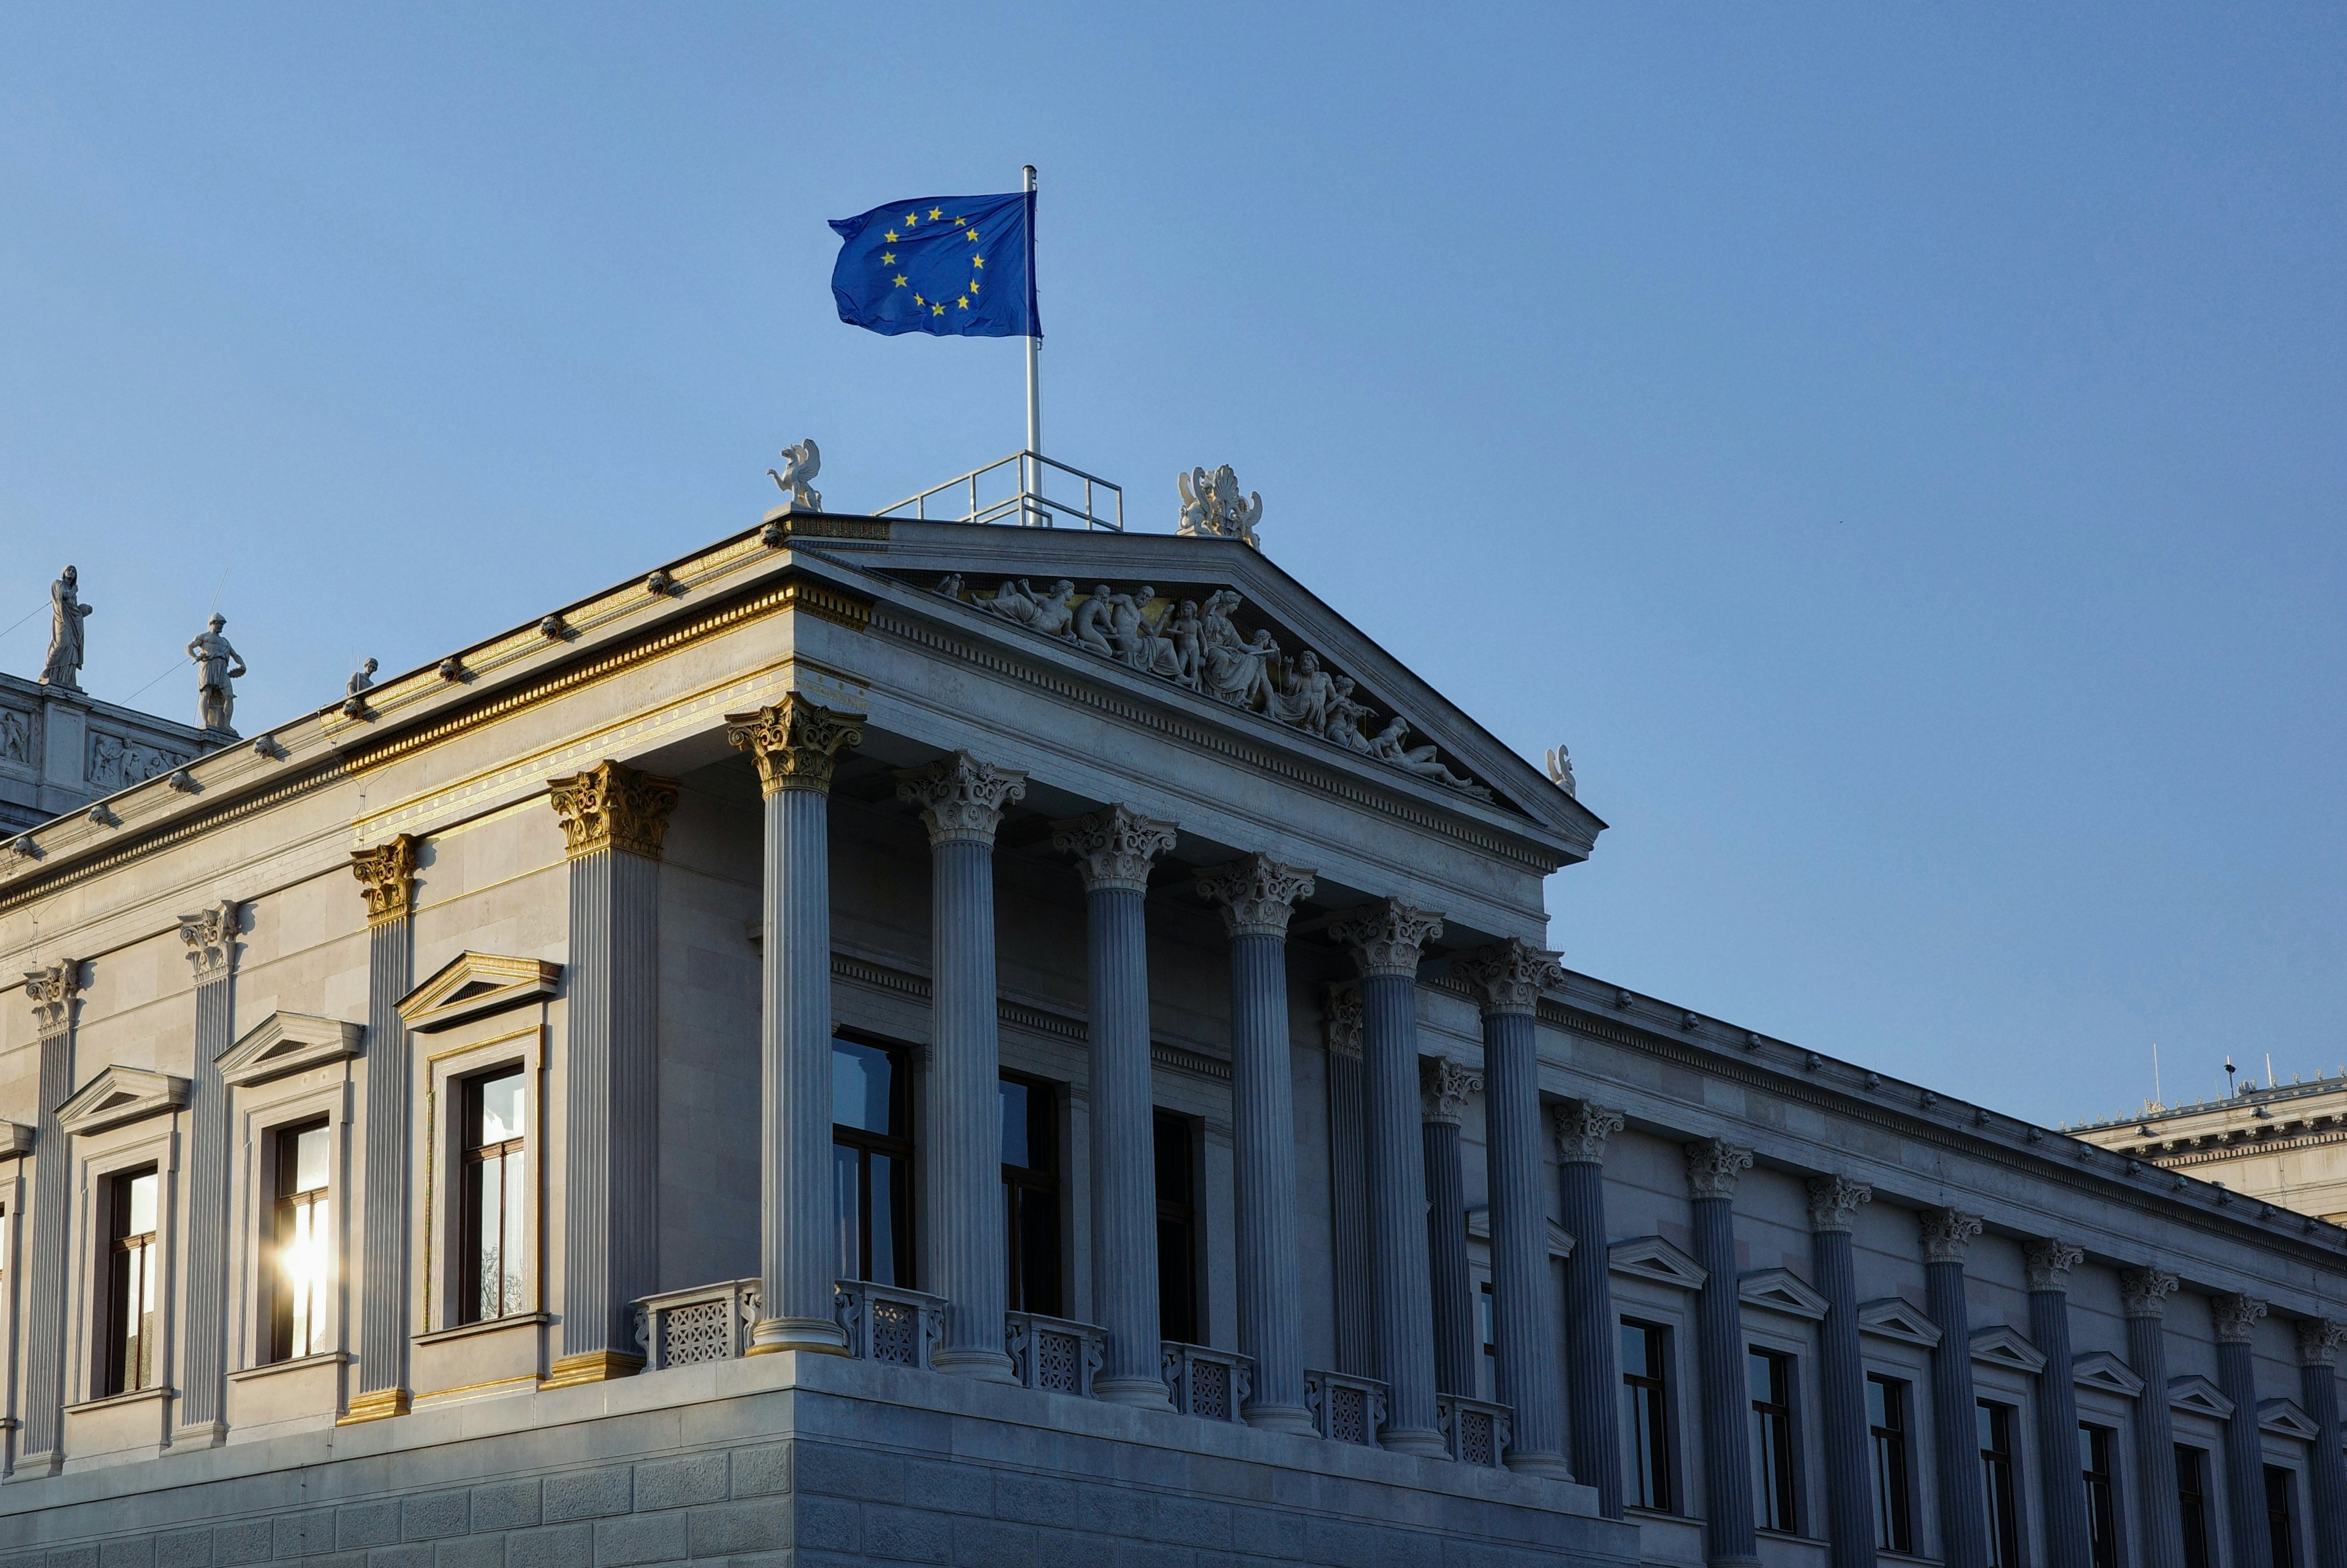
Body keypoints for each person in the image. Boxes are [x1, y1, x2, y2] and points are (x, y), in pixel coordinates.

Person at [186, 614, 248, 733]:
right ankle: (206, 722)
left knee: (229, 696)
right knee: (206, 694)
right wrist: (195, 657)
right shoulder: (204, 637)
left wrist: (242, 665)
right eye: (219, 624)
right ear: (213, 623)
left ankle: (227, 725)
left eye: (223, 625)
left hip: (222, 670)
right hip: (209, 667)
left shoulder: (225, 642)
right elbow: (189, 647)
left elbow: (235, 655)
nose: (221, 627)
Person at [39, 566, 93, 690]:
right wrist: (74, 590)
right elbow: (64, 596)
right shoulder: (58, 583)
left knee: (72, 648)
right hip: (62, 620)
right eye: (70, 570)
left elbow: (75, 608)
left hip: (74, 624)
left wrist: (85, 610)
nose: (72, 573)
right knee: (61, 645)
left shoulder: (72, 590)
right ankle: (48, 671)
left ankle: (67, 678)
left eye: (74, 571)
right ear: (64, 572)